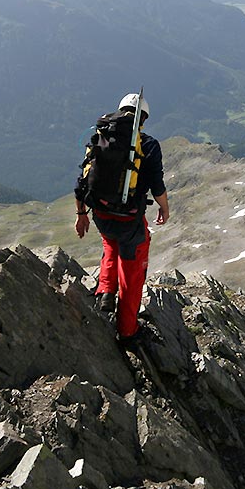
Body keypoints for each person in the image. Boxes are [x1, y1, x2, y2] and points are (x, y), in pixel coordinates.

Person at [74, 93, 169, 341]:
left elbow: (82, 182)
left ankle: (105, 291)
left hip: (101, 214)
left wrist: (81, 214)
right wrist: (164, 208)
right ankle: (127, 330)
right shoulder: (147, 145)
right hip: (130, 221)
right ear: (143, 119)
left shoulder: (100, 139)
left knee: (109, 244)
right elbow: (157, 185)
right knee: (132, 273)